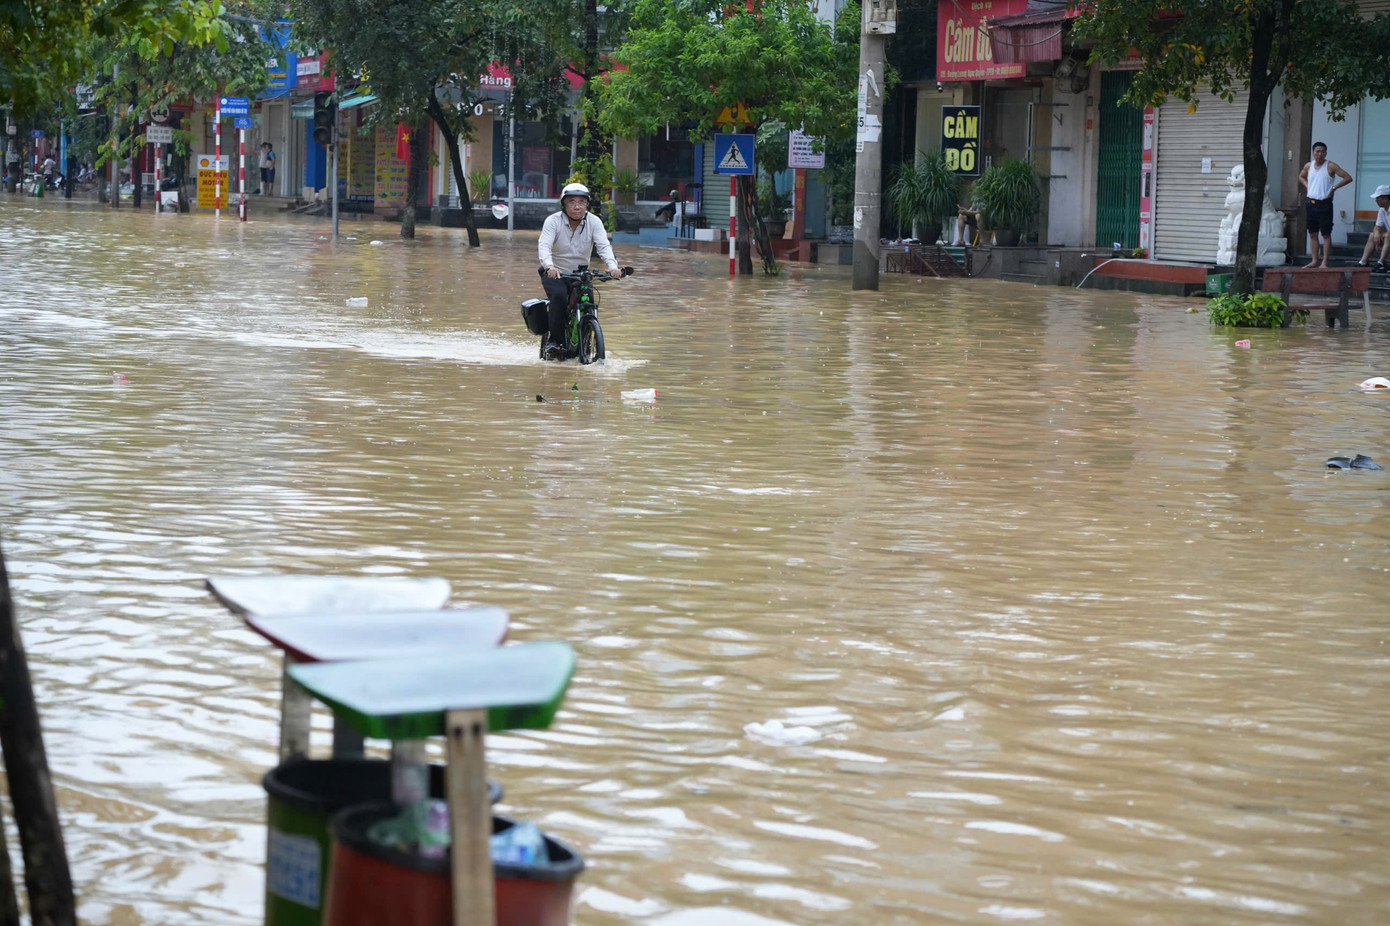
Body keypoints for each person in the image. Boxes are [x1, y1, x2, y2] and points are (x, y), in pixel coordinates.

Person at [537, 182, 623, 359]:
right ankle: (555, 340)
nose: (577, 207)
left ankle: (587, 340)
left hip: (580, 274)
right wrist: (549, 266)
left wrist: (613, 267)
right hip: (555, 273)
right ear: (564, 205)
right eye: (572, 202)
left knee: (588, 301)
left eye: (581, 202)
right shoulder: (553, 221)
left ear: (587, 204)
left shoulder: (594, 222)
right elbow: (544, 246)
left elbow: (603, 246)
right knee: (559, 297)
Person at [1297, 141, 1353, 268]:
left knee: (1326, 234)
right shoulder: (1308, 166)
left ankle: (1325, 261)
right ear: (1313, 152)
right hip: (1311, 203)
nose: (1320, 154)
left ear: (1326, 153)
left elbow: (1348, 178)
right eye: (1317, 151)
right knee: (1312, 233)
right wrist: (1308, 186)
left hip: (1324, 203)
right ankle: (1314, 260)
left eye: (1322, 151)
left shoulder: (1331, 166)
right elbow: (1301, 176)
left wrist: (1334, 188)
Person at [1357, 184, 1390, 273]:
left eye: (1378, 198)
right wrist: (1376, 233)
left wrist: (1382, 235)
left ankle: (1381, 262)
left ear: (1386, 199)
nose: (1376, 201)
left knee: (1388, 236)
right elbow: (1377, 226)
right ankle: (1363, 262)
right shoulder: (1382, 210)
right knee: (1372, 235)